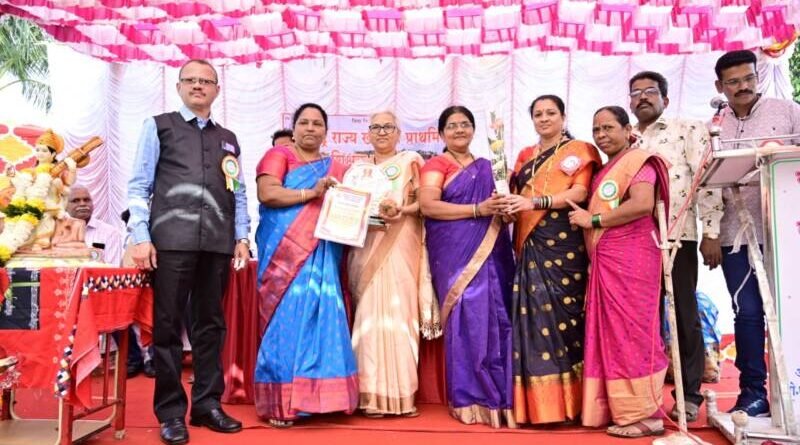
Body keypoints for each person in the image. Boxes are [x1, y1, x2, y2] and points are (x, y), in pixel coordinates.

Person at [127, 59, 250, 445]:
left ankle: (207, 405)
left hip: (217, 243)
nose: (198, 86)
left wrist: (241, 236)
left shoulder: (228, 138)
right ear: (179, 86)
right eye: (191, 80)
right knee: (166, 328)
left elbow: (238, 191)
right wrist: (140, 235)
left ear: (217, 90)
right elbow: (138, 185)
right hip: (170, 242)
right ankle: (170, 413)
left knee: (210, 326)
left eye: (206, 81)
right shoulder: (158, 126)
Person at [705, 49, 800, 417]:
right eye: (733, 82)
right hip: (736, 235)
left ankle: (792, 389)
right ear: (720, 86)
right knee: (747, 312)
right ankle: (753, 393)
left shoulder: (787, 111)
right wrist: (710, 233)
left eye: (748, 78)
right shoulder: (715, 126)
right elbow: (707, 184)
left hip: (787, 229)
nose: (743, 86)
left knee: (791, 307)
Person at [568, 106, 670, 438]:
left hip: (634, 259)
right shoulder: (605, 170)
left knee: (634, 333)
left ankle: (647, 414)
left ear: (628, 130)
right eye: (596, 130)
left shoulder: (638, 161)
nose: (601, 135)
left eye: (609, 128)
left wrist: (593, 220)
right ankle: (619, 409)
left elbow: (641, 204)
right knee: (612, 334)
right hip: (608, 260)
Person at [253, 103, 358, 427]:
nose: (310, 128)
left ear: (326, 132)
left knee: (324, 319)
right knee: (287, 322)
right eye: (304, 122)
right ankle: (283, 403)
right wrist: (312, 193)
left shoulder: (336, 168)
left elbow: (351, 208)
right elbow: (268, 193)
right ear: (294, 127)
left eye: (317, 124)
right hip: (284, 256)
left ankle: (325, 398)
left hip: (324, 253)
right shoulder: (279, 156)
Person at [627, 71, 724, 422]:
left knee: (684, 314)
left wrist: (711, 231)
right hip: (636, 242)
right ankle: (645, 395)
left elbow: (707, 179)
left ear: (665, 99)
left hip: (677, 236)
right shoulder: (628, 138)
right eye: (636, 93)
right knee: (644, 317)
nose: (642, 97)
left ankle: (689, 395)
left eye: (650, 91)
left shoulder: (687, 129)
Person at [502, 95, 601, 425]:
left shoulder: (580, 150)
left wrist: (536, 203)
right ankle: (539, 408)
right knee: (531, 318)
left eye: (550, 113)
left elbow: (579, 193)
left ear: (563, 116)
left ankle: (572, 404)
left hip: (564, 244)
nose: (544, 119)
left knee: (565, 319)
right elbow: (512, 194)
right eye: (538, 114)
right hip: (530, 242)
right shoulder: (525, 155)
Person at [419, 105, 515, 428]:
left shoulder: (491, 166)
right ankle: (470, 398)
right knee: (467, 318)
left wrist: (505, 211)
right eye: (452, 126)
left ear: (473, 130)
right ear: (441, 133)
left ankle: (501, 399)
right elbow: (428, 205)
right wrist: (477, 209)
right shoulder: (437, 165)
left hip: (493, 251)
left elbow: (504, 208)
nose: (459, 130)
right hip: (454, 253)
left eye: (464, 124)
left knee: (498, 316)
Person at [348, 111, 434, 418]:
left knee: (400, 316)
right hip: (365, 248)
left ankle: (401, 396)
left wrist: (402, 210)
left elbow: (426, 203)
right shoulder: (357, 170)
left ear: (399, 133)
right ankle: (369, 395)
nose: (382, 132)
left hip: (401, 245)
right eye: (376, 127)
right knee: (368, 319)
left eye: (388, 127)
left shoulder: (412, 161)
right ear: (368, 133)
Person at [66, 185, 124, 265]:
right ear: (65, 206)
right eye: (75, 200)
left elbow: (113, 267)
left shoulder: (110, 233)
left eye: (86, 200)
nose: (82, 204)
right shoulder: (55, 231)